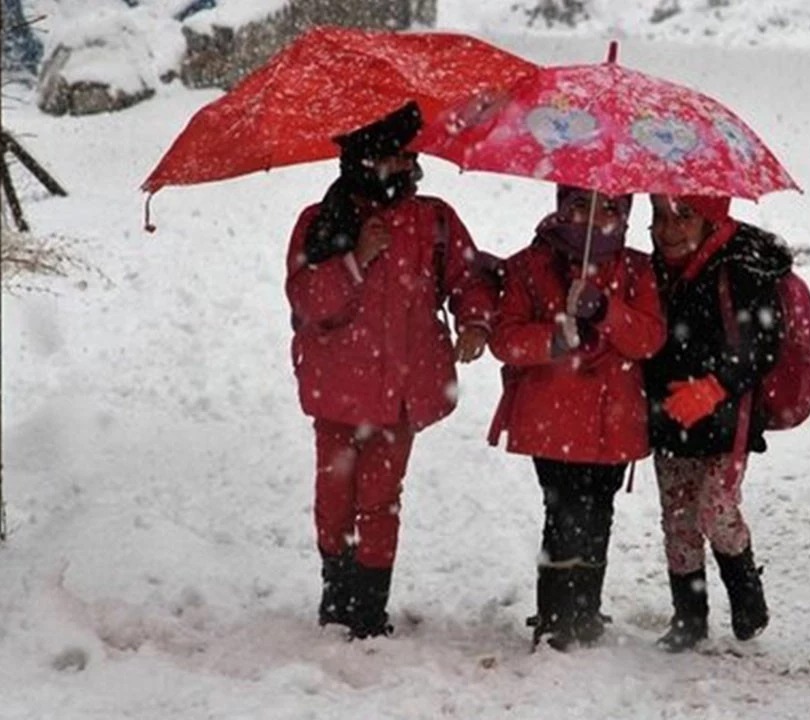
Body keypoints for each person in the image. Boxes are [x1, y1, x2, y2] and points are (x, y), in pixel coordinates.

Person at [285, 101, 496, 640]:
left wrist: (475, 321)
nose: (402, 169)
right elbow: (311, 303)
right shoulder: (319, 223)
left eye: (408, 158)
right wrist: (355, 257)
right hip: (337, 396)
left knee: (380, 501)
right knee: (335, 501)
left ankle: (369, 610)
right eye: (389, 158)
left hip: (401, 396)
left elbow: (468, 279)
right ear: (359, 159)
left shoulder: (434, 220)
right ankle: (336, 595)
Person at [488, 186, 665, 650]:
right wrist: (552, 338)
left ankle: (585, 609)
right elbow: (504, 338)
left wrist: (606, 310)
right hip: (553, 419)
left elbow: (648, 338)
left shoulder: (636, 269)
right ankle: (555, 614)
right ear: (561, 206)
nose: (594, 218)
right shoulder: (530, 265)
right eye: (580, 205)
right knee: (563, 511)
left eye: (609, 208)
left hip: (613, 418)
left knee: (598, 510)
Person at [644, 194, 792, 652]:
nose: (669, 229)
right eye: (659, 216)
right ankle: (689, 618)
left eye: (684, 215)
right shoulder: (655, 268)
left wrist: (713, 387)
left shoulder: (743, 266)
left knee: (715, 506)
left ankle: (747, 595)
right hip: (670, 414)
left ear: (712, 218)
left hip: (729, 417)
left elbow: (763, 344)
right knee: (678, 517)